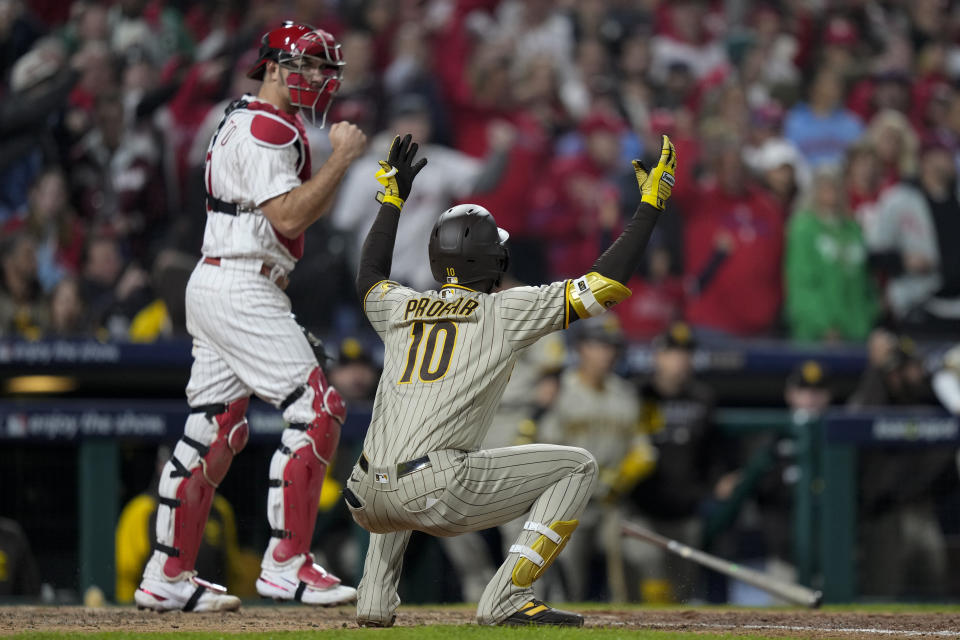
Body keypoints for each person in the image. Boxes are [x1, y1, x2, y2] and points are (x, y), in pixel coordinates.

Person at [343, 132, 677, 627]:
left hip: (364, 493)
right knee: (578, 467)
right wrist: (649, 207)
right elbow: (603, 285)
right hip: (436, 489)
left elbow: (369, 273)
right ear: (492, 261)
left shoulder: (399, 305)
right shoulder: (504, 310)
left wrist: (392, 200)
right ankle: (506, 598)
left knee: (396, 457)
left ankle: (373, 597)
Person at [134, 21, 367, 613]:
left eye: (324, 69)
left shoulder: (244, 115)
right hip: (242, 282)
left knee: (213, 430)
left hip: (222, 279)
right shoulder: (266, 125)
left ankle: (167, 573)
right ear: (273, 66)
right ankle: (286, 565)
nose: (318, 79)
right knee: (318, 410)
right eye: (307, 66)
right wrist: (341, 160)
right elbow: (289, 217)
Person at [538, 315, 656, 603]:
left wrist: (626, 474)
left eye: (612, 346)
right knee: (566, 576)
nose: (607, 353)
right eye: (599, 345)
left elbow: (643, 449)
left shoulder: (625, 393)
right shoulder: (561, 390)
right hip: (568, 501)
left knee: (643, 554)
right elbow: (544, 447)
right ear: (580, 348)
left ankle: (646, 625)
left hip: (611, 502)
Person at [628, 322, 729, 602]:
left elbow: (715, 451)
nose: (680, 361)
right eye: (673, 353)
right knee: (645, 585)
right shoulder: (637, 394)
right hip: (642, 510)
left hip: (687, 509)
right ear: (658, 356)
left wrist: (717, 483)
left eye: (686, 354)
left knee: (681, 594)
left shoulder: (703, 397)